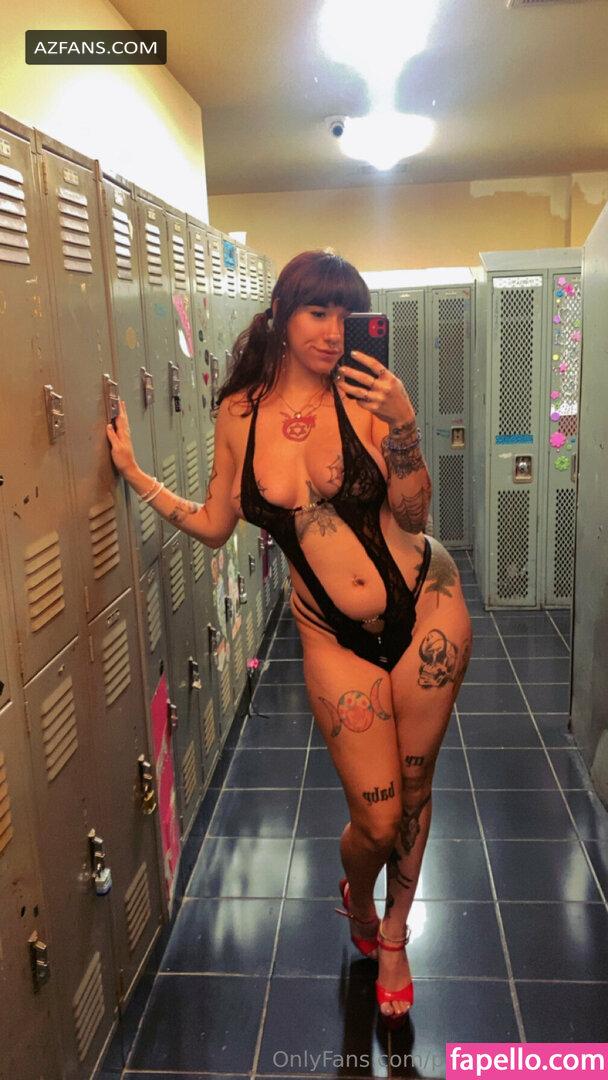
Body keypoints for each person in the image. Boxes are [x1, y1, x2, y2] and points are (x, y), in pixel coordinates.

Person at [107, 249, 472, 1027]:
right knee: (376, 819)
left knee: (415, 792)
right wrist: (138, 476)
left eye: (346, 314)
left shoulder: (369, 395)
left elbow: (414, 516)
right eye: (317, 311)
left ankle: (394, 934)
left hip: (426, 607)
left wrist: (405, 423)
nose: (335, 332)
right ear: (280, 314)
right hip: (331, 636)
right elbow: (216, 524)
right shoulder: (239, 412)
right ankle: (358, 895)